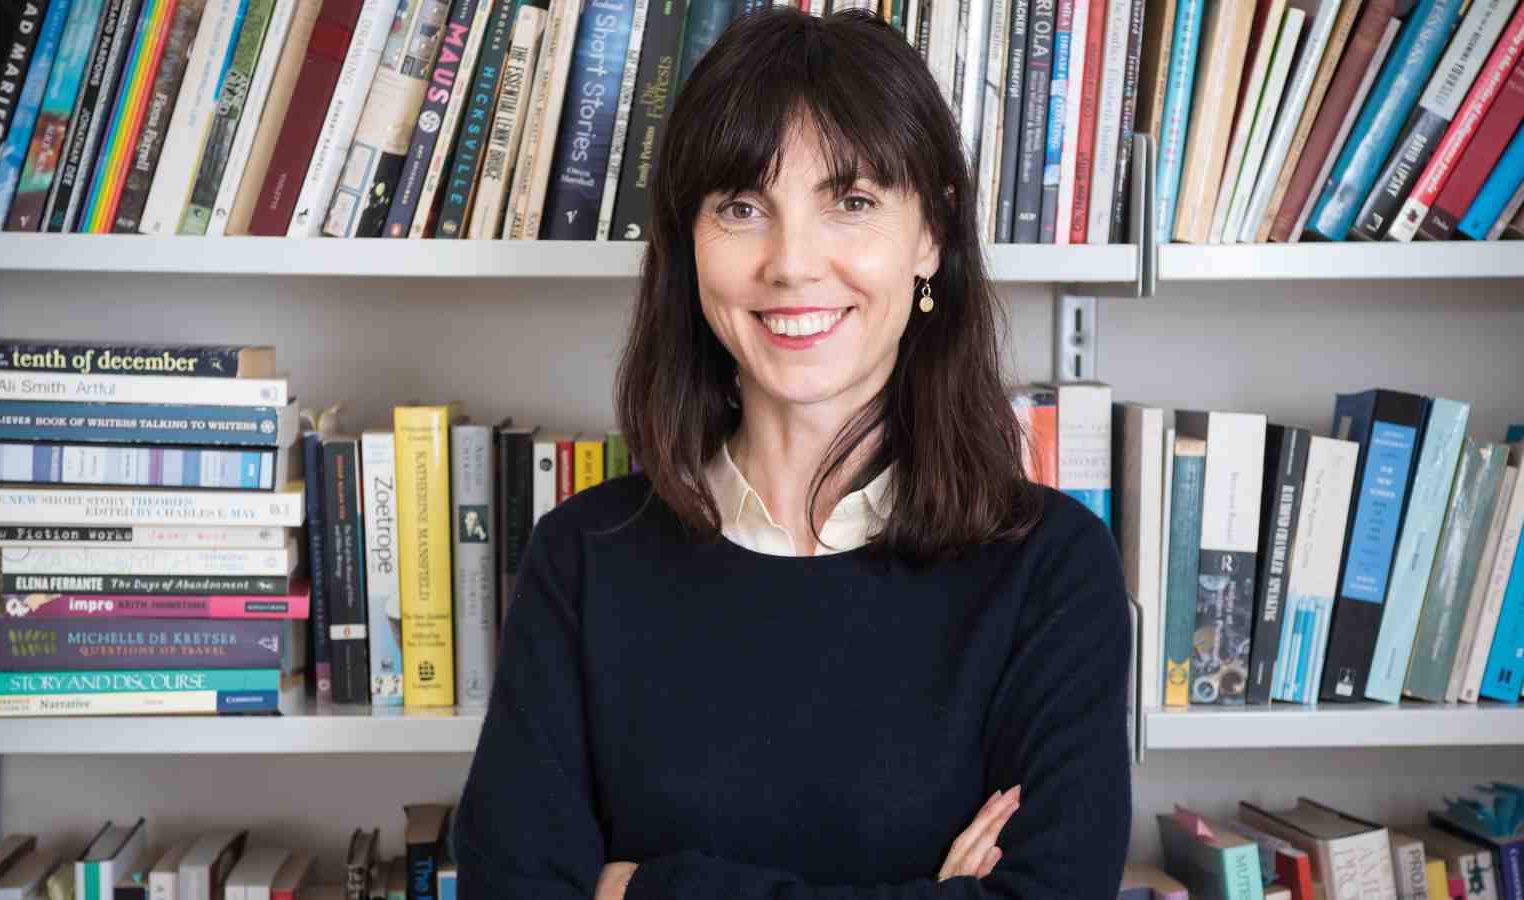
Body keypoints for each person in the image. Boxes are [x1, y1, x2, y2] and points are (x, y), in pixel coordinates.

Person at [454, 8, 1132, 899]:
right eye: (742, 207)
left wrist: (646, 890)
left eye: (851, 203)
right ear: (685, 245)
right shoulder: (581, 558)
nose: (792, 263)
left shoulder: (1051, 568)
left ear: (930, 233)